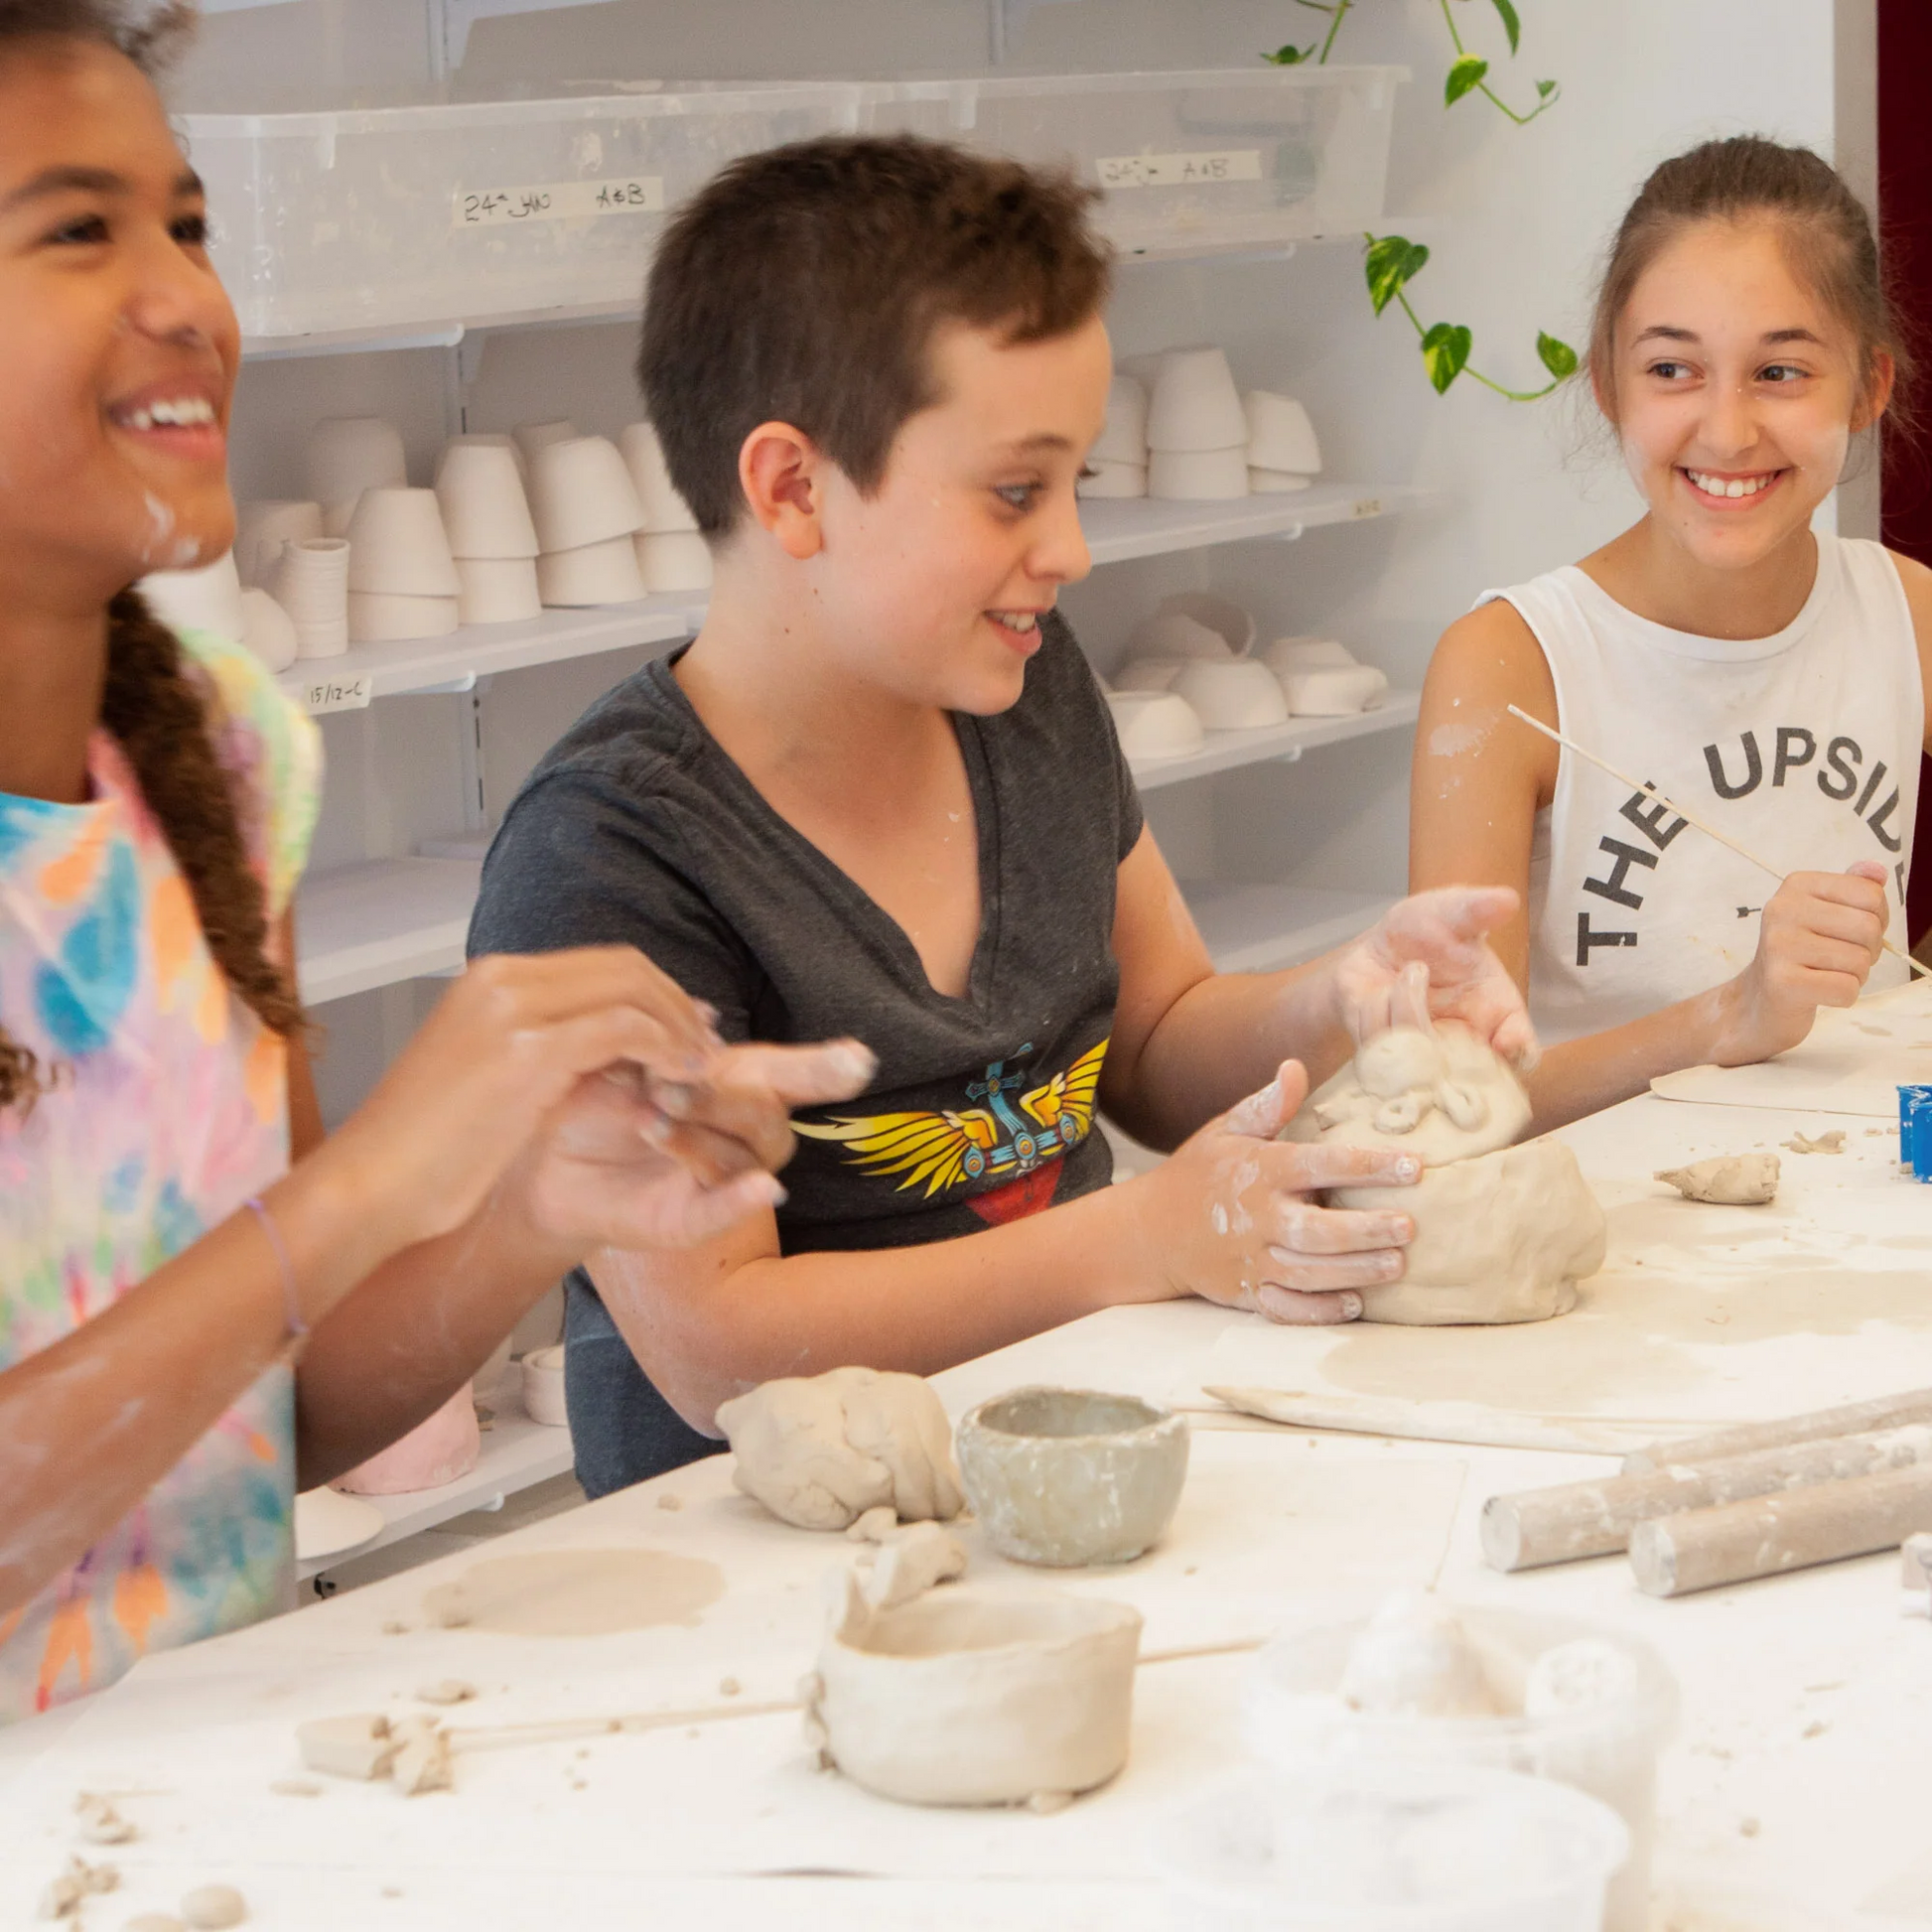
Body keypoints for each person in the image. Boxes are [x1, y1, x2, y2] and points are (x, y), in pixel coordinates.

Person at [0, 0, 874, 1723]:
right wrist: (362, 1187)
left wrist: (533, 1207)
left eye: (187, 223)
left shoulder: (220, 756)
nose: (186, 297)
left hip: (186, 1792)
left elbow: (268, 1414)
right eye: (76, 231)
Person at [470, 134, 1537, 1496]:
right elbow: (712, 1343)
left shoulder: (1024, 694)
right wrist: (1139, 1240)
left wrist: (1343, 1001)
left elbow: (1150, 1038)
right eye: (1015, 490)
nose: (1072, 548)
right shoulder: (609, 856)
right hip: (751, 1552)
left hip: (1064, 1452)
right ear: (793, 489)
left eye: (1074, 481)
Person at [1411, 135, 1932, 1130]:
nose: (1726, 430)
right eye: (1670, 369)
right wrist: (1731, 1012)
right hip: (1610, 1235)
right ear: (1607, 383)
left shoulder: (1902, 613)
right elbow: (1450, 1103)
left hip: (1853, 1214)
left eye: (1778, 370)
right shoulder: (1509, 662)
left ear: (1866, 388)